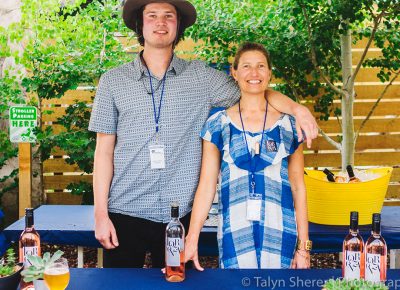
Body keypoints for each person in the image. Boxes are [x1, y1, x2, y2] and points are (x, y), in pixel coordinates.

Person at [89, 0, 317, 268]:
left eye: (168, 16)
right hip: (124, 212)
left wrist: (297, 109)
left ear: (179, 25)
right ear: (140, 24)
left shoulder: (202, 78)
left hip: (179, 216)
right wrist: (100, 215)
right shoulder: (112, 81)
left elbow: (254, 90)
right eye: (152, 15)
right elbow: (103, 152)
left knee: (177, 284)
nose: (160, 22)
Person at [185, 42, 310, 269]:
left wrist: (303, 247)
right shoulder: (217, 125)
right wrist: (192, 238)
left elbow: (298, 187)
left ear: (270, 73)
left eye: (261, 66)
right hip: (235, 231)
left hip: (280, 231)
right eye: (246, 66)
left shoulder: (290, 125)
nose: (254, 73)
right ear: (234, 72)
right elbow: (206, 186)